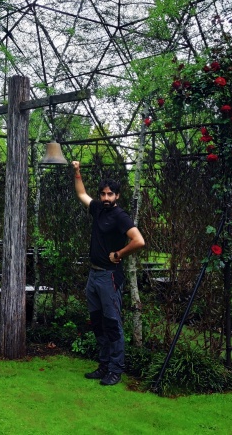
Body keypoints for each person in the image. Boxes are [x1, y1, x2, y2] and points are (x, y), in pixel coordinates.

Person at [71, 160, 145, 386]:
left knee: (112, 324)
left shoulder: (120, 216)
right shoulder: (97, 209)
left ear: (117, 196)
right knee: (98, 322)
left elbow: (139, 240)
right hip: (94, 276)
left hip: (109, 277)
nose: (105, 198)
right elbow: (82, 194)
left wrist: (120, 253)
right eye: (103, 194)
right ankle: (103, 365)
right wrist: (77, 172)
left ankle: (115, 369)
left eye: (110, 194)